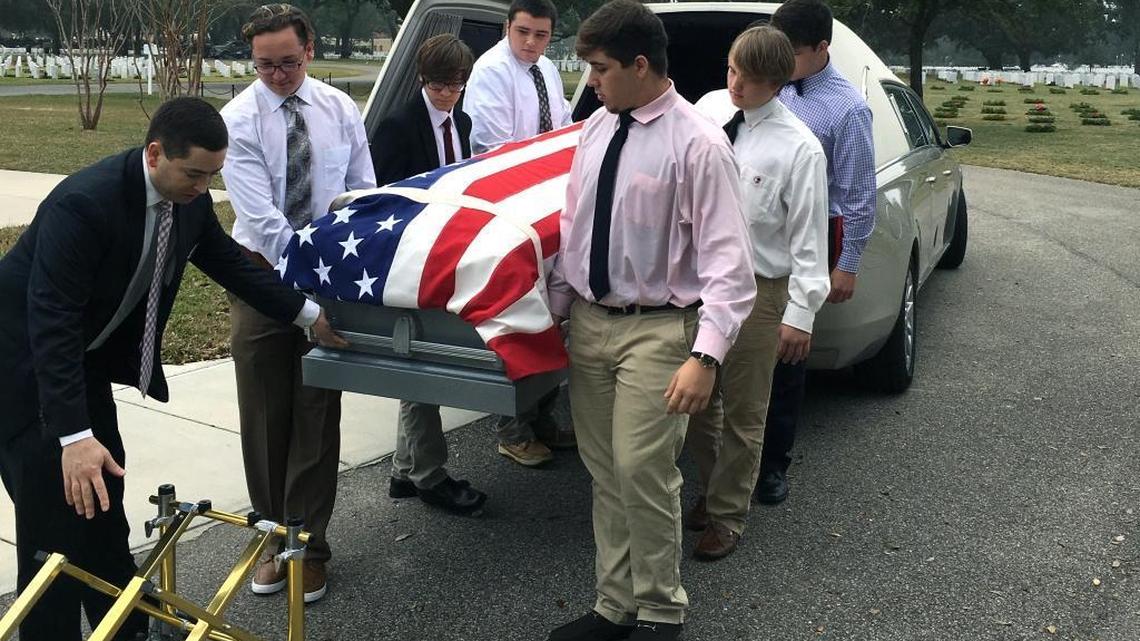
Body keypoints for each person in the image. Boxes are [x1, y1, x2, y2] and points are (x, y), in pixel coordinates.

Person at [0, 97, 345, 641]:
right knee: (53, 531)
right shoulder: (84, 205)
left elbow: (230, 264)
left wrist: (308, 315)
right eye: (194, 174)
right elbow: (52, 320)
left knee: (102, 510)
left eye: (213, 176)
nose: (203, 188)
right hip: (22, 371)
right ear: (155, 153)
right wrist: (73, 434)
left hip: (78, 365)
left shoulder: (186, 201)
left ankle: (127, 628)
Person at [545, 2, 756, 639]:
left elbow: (729, 263)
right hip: (591, 323)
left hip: (660, 329)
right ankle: (615, 605)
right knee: (605, 471)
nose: (592, 82)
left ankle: (662, 609)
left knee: (642, 469)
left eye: (601, 69)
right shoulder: (596, 131)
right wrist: (555, 313)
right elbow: (572, 231)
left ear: (642, 65)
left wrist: (707, 355)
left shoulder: (697, 142)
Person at [220, 3, 376, 602]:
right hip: (262, 281)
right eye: (264, 66)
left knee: (316, 414)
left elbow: (363, 188)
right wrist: (299, 282)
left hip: (330, 280)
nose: (279, 75)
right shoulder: (238, 121)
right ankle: (269, 538)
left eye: (288, 62)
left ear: (308, 49)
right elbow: (261, 219)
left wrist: (341, 264)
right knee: (264, 414)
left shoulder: (339, 109)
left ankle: (309, 546)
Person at [684, 25, 831, 562]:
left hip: (760, 290)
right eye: (731, 70)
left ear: (778, 80)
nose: (737, 85)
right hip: (701, 284)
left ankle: (726, 515)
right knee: (696, 404)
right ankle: (715, 485)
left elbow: (809, 240)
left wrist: (801, 313)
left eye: (751, 78)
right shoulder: (710, 111)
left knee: (746, 411)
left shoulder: (799, 148)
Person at [756, 0, 876, 504]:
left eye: (793, 53)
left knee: (787, 355)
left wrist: (846, 265)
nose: (781, 63)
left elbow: (857, 195)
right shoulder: (765, 87)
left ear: (822, 48)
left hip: (810, 235)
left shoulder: (846, 109)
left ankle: (773, 463)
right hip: (754, 233)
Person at [370, 34, 487, 515]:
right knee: (421, 364)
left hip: (448, 253)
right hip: (409, 258)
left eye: (457, 85)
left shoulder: (463, 120)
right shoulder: (398, 126)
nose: (448, 94)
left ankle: (404, 468)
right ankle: (428, 475)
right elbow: (380, 196)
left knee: (418, 360)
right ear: (423, 78)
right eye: (440, 85)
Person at [463, 0, 574, 467]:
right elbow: (495, 149)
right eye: (523, 32)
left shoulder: (546, 69)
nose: (531, 43)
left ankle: (540, 414)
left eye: (541, 35)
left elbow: (563, 126)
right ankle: (511, 426)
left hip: (549, 206)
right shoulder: (491, 70)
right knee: (518, 316)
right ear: (507, 27)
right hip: (511, 208)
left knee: (555, 314)